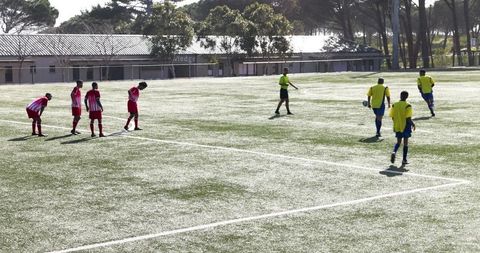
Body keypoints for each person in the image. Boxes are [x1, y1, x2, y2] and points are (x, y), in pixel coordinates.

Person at [389, 91, 416, 165]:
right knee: (405, 143)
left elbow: (392, 116)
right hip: (406, 126)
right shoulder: (408, 105)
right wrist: (413, 124)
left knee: (398, 142)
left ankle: (394, 152)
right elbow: (408, 118)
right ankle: (404, 159)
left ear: (400, 96)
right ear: (407, 97)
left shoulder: (395, 105)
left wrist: (396, 123)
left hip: (397, 125)